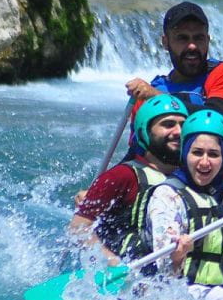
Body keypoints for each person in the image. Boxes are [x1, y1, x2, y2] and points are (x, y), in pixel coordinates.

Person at [124, 1, 223, 197]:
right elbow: (137, 155)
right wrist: (103, 189)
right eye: (182, 38)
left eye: (198, 38)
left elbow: (217, 118)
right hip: (176, 201)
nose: (192, 46)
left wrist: (156, 97)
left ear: (208, 40)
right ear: (165, 42)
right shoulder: (149, 93)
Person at [138, 109, 223, 300]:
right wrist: (177, 255)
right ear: (185, 153)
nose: (205, 162)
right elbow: (164, 267)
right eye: (197, 152)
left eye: (214, 154)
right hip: (181, 294)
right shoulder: (168, 195)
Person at [68, 95, 189, 265]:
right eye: (168, 124)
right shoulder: (122, 176)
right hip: (126, 273)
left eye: (183, 125)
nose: (178, 132)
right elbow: (78, 228)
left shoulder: (192, 178)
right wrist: (112, 263)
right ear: (145, 132)